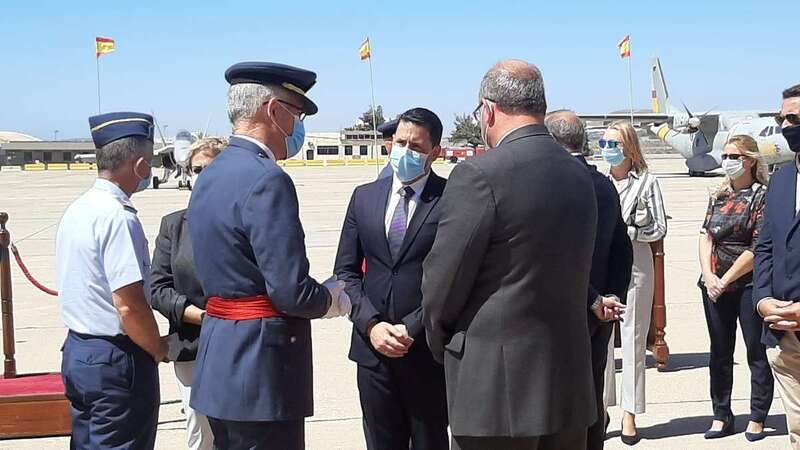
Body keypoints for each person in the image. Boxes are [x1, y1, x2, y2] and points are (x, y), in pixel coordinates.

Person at [422, 60, 598, 450]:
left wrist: (442, 343)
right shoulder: (579, 175)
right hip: (567, 385)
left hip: (496, 397)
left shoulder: (479, 174)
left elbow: (443, 283)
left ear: (487, 110)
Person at [186, 62, 351, 450]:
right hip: (260, 371)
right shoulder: (267, 178)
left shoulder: (211, 173)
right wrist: (331, 299)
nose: (297, 128)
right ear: (274, 111)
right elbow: (290, 290)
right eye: (295, 114)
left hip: (220, 362)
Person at [335, 108, 448, 450]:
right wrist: (371, 325)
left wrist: (411, 328)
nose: (405, 151)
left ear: (435, 152)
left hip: (425, 351)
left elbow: (452, 279)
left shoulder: (452, 198)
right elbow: (346, 273)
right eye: (400, 142)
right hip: (373, 352)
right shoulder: (364, 197)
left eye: (416, 146)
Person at [57, 112, 168, 449]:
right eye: (149, 162)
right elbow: (129, 305)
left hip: (80, 351)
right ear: (139, 166)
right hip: (115, 359)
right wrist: (158, 347)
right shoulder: (118, 218)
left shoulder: (79, 209)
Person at [545, 110, 633, 450]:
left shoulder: (555, 183)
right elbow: (622, 250)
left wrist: (593, 298)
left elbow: (555, 255)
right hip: (599, 316)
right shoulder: (604, 184)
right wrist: (610, 300)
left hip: (564, 314)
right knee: (592, 398)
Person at [151, 137, 227, 450]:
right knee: (200, 432)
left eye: (210, 169)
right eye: (196, 169)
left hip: (239, 342)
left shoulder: (245, 220)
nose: (201, 176)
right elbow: (157, 287)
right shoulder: (174, 226)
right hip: (191, 344)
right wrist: (195, 314)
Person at [698, 135, 773, 441]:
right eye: (726, 155)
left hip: (747, 283)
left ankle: (757, 415)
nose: (728, 161)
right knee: (719, 351)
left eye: (735, 156)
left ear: (751, 160)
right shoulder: (718, 194)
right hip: (714, 284)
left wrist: (726, 278)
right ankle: (721, 414)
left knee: (756, 350)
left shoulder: (762, 196)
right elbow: (706, 236)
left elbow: (757, 247)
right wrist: (708, 275)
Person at [601, 120, 668, 445]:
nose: (607, 150)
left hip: (636, 263)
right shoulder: (599, 183)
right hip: (603, 267)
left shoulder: (647, 183)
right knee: (600, 341)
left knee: (633, 340)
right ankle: (600, 408)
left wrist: (629, 231)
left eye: (613, 145)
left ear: (628, 148)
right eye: (603, 144)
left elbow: (658, 228)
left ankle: (630, 412)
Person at [754, 83, 800, 449]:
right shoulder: (781, 180)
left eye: (795, 118)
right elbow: (766, 248)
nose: (787, 125)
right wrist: (762, 299)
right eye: (782, 118)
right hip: (785, 339)